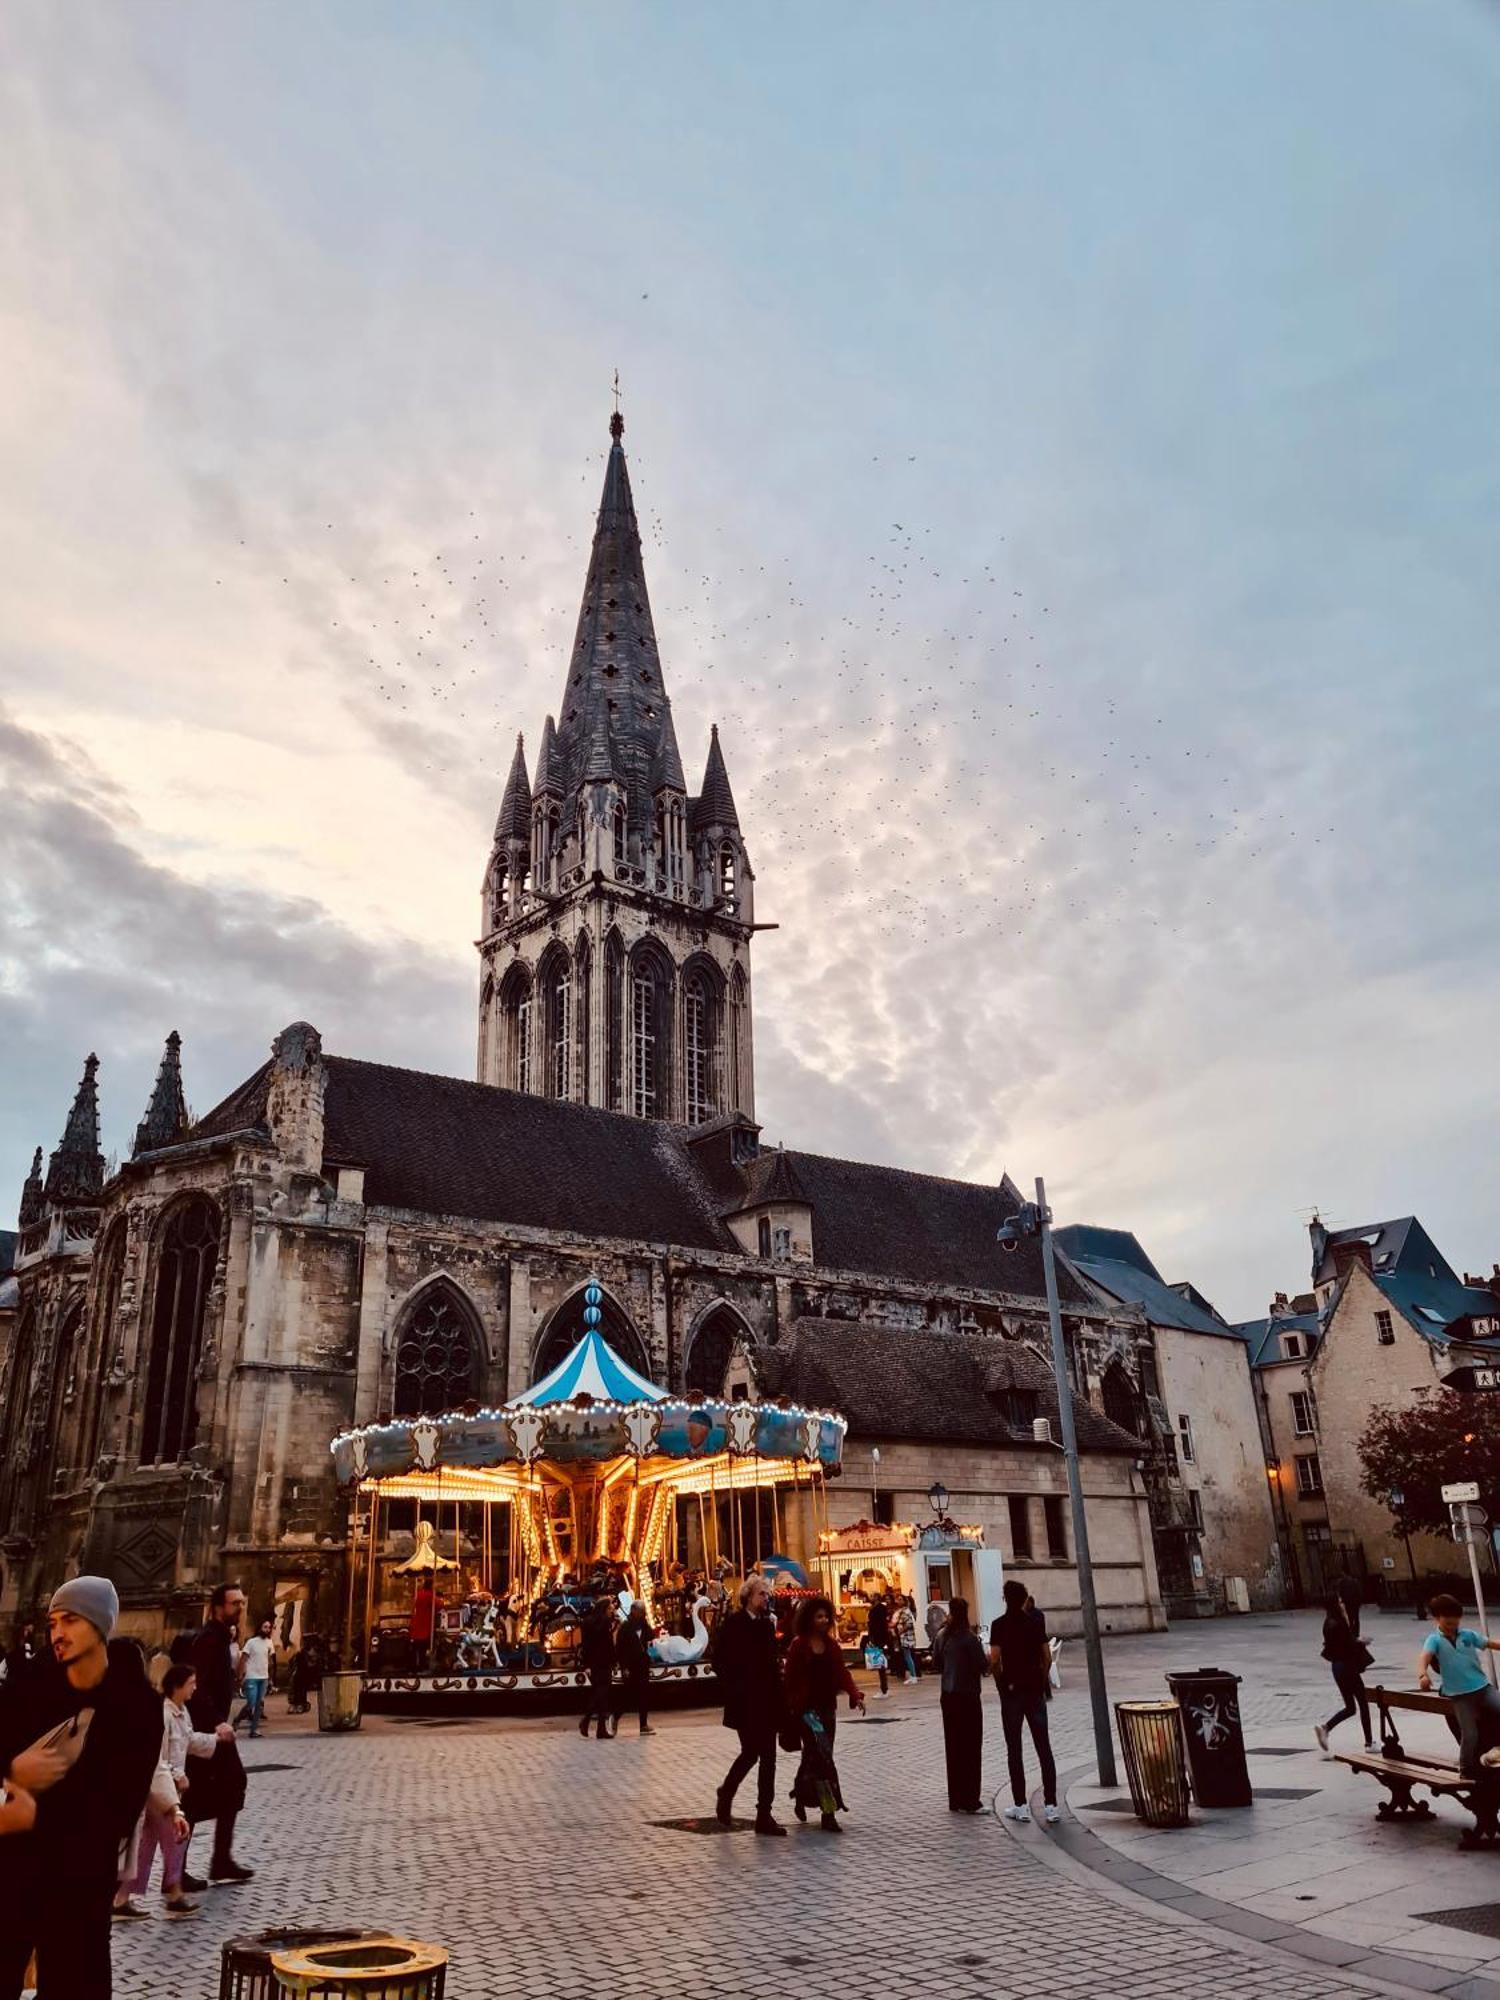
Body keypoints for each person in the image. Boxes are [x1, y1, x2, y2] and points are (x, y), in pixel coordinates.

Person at [0, 1575, 162, 1998]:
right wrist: (14, 1768)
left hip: (79, 1884)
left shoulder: (136, 1707)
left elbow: (119, 1808)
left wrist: (37, 1812)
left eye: (70, 1620)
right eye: (52, 1623)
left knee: (76, 1984)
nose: (57, 1634)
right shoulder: (28, 1690)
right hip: (12, 1873)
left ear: (101, 1625)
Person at [114, 1663, 217, 1919]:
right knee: (172, 1841)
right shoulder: (163, 1714)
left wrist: (215, 1739)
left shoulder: (182, 1712)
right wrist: (176, 1778)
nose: (195, 1687)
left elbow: (189, 1741)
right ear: (178, 1685)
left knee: (148, 1846)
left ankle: (127, 1898)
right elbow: (156, 1758)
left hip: (166, 1791)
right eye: (191, 1683)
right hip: (160, 1791)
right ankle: (172, 1893)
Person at [182, 1583, 253, 1888]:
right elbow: (196, 1688)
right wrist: (215, 1723)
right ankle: (181, 1870)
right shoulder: (209, 1640)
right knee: (195, 1798)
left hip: (213, 1730)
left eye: (241, 1602)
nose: (239, 1607)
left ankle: (219, 1860)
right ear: (218, 1607)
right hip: (205, 1732)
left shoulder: (222, 1639)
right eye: (234, 1603)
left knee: (229, 1786)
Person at [784, 1595, 865, 1831]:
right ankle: (828, 1812)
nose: (823, 1620)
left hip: (827, 1710)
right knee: (823, 1759)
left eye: (825, 1616)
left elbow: (842, 1673)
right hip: (807, 1712)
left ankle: (801, 1793)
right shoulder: (799, 1645)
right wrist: (791, 1708)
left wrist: (855, 1695)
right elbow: (790, 1679)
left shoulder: (831, 1646)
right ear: (809, 1618)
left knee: (814, 1757)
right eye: (818, 1616)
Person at [713, 1575, 786, 1835]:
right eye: (761, 1594)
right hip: (744, 1701)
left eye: (767, 1594)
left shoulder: (767, 1625)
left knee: (768, 1757)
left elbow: (771, 1662)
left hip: (766, 1700)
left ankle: (763, 1814)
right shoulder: (734, 1623)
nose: (766, 1599)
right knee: (751, 1752)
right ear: (748, 1597)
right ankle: (727, 1791)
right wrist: (734, 1687)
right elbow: (719, 1659)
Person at [989, 1578, 1059, 1825]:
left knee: (1014, 1749)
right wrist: (1040, 1681)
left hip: (1011, 1692)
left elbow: (995, 1660)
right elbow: (1046, 1657)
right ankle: (1051, 1805)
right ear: (1023, 1598)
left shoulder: (999, 1625)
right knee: (1044, 1747)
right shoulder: (1034, 1623)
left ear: (1005, 1599)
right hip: (1033, 1690)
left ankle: (1020, 1805)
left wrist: (1001, 1684)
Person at [1418, 1592, 1500, 1779]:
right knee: (1469, 1734)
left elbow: (1490, 1643)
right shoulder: (1435, 1640)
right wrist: (1423, 1674)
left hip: (1482, 1687)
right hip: (1459, 1695)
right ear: (1436, 1619)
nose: (1452, 1627)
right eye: (1447, 1623)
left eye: (1455, 1623)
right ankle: (1465, 1768)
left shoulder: (1467, 1635)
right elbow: (1425, 1656)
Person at [934, 1596, 987, 1812]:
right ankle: (971, 1799)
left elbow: (937, 1663)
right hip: (968, 1696)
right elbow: (983, 1666)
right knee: (972, 1748)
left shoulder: (942, 1636)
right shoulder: (969, 1639)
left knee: (953, 1747)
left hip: (948, 1696)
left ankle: (955, 1798)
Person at [1313, 1591, 1374, 1755]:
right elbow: (1347, 1645)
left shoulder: (1328, 1623)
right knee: (1362, 1702)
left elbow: (1337, 1644)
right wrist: (1360, 1642)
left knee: (1350, 1707)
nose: (1343, 1604)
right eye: (1340, 1602)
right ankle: (1369, 1742)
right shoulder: (1339, 1623)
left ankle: (1326, 1727)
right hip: (1347, 1667)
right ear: (1335, 1605)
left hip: (1337, 1667)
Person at [614, 1603, 656, 1737]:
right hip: (630, 1665)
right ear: (633, 1611)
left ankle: (643, 1725)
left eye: (643, 1611)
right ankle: (615, 1717)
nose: (642, 1614)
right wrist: (623, 1666)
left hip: (642, 1664)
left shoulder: (643, 1625)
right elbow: (620, 1649)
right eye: (640, 1611)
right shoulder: (625, 1627)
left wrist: (645, 1623)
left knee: (644, 1695)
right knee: (628, 1695)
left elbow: (650, 1636)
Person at [578, 1602, 617, 1740]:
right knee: (602, 1693)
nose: (612, 1612)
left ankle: (598, 1727)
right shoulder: (606, 1622)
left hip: (593, 1662)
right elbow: (608, 1643)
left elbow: (585, 1644)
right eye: (611, 1609)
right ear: (605, 1609)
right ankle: (587, 1720)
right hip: (604, 1661)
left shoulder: (587, 1622)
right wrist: (614, 1660)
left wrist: (586, 1664)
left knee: (599, 1693)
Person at [237, 1619, 274, 1739]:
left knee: (259, 1705)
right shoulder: (251, 1642)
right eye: (265, 1627)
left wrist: (271, 1678)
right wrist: (240, 1675)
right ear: (259, 1628)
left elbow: (270, 1660)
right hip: (251, 1677)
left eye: (269, 1627)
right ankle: (237, 1720)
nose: (267, 1629)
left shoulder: (269, 1643)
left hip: (264, 1677)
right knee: (251, 1702)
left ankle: (254, 1730)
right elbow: (243, 1658)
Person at [865, 1592, 892, 1698]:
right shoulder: (881, 1608)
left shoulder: (877, 1609)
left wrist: (872, 1637)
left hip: (878, 1638)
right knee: (881, 1664)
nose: (870, 1597)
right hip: (881, 1637)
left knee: (880, 1664)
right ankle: (884, 1688)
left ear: (876, 1597)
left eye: (872, 1596)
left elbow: (876, 1625)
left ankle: (884, 1689)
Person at [894, 1595, 919, 1684]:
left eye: (900, 1599)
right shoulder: (902, 1611)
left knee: (908, 1656)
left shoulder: (906, 1612)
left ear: (904, 1601)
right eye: (898, 1599)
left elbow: (909, 1624)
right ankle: (912, 1675)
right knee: (907, 1656)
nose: (898, 1601)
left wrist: (900, 1631)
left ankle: (913, 1675)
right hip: (904, 1636)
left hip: (906, 1637)